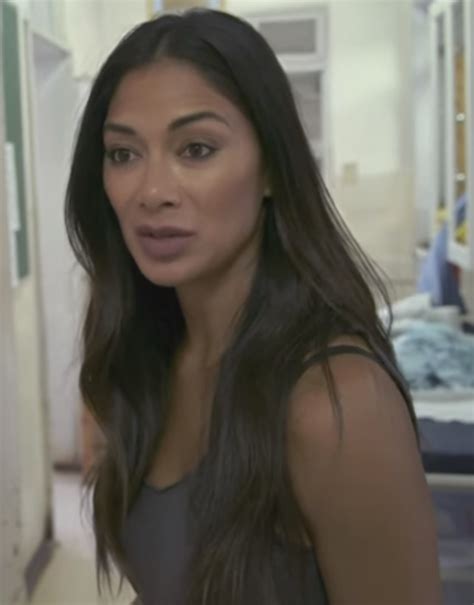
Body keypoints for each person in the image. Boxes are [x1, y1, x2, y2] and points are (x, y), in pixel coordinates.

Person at [65, 8, 442, 605]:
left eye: (196, 149)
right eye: (123, 154)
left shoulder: (335, 403)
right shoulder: (147, 363)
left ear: (271, 169)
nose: (152, 192)